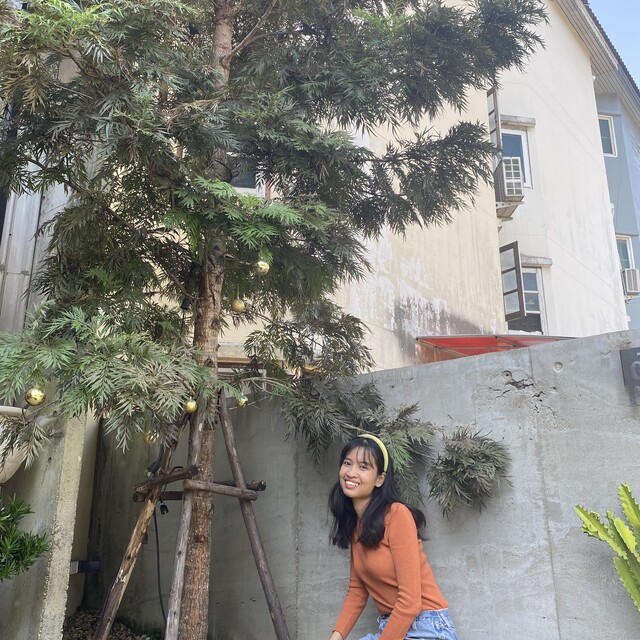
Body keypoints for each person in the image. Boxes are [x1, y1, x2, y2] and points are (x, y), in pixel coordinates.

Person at [327, 434, 458, 640]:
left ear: (380, 479)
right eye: (347, 463)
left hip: (427, 628)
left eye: (363, 467)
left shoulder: (397, 515)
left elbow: (410, 603)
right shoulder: (356, 526)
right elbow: (357, 592)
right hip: (393, 626)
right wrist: (335, 637)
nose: (351, 473)